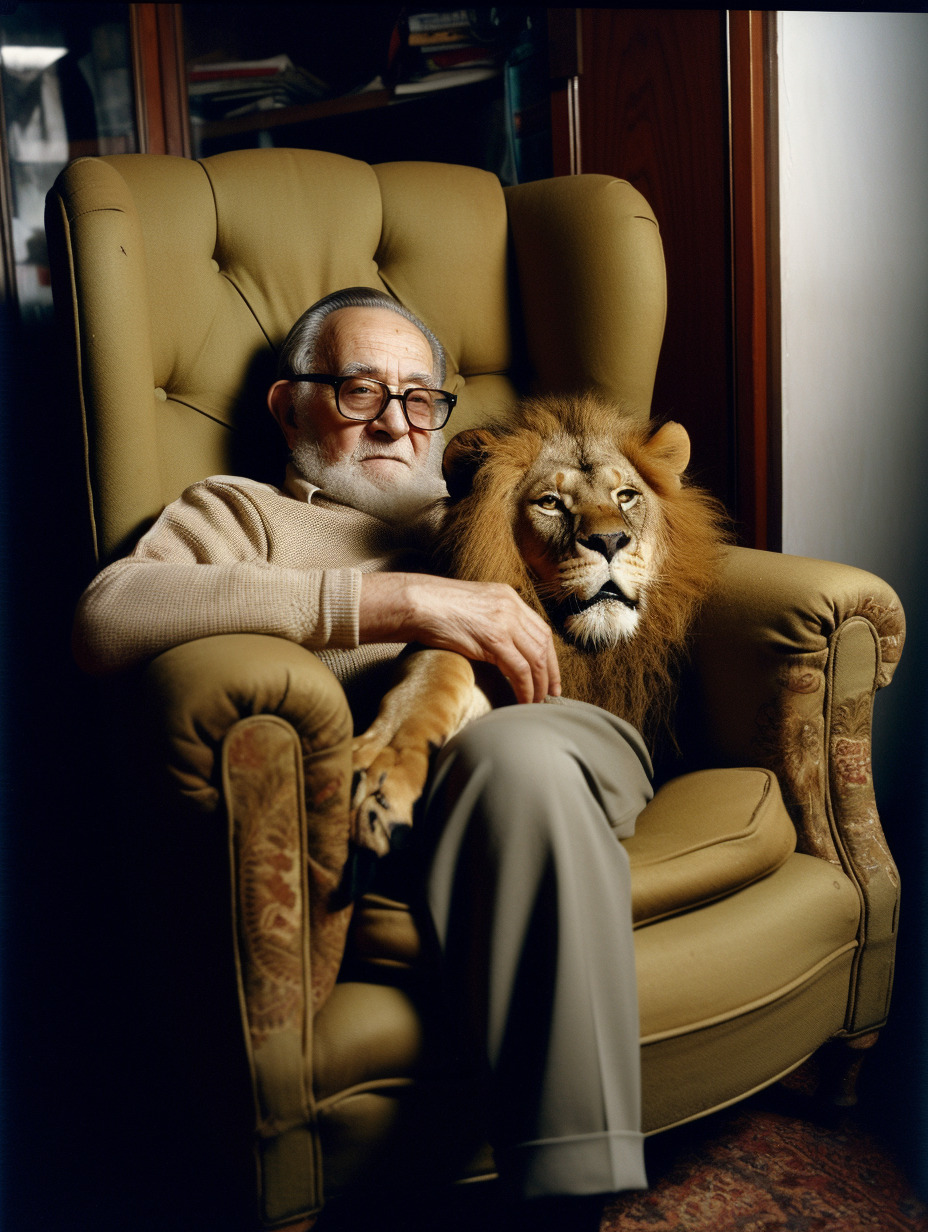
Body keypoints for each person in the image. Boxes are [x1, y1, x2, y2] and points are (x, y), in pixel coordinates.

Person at [73, 287, 653, 1231]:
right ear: (288, 405)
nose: (395, 421)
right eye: (358, 392)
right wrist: (399, 606)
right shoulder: (240, 513)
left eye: (420, 397)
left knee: (516, 756)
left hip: (556, 741)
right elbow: (108, 616)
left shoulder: (501, 493)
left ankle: (569, 1204)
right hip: (383, 794)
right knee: (500, 763)